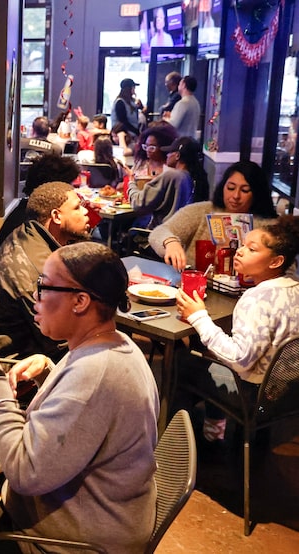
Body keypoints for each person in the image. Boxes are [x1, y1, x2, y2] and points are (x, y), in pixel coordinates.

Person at [0, 242, 159, 551]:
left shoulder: (96, 374)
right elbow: (85, 412)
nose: (35, 296)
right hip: (102, 513)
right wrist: (48, 372)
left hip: (73, 540)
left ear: (80, 301)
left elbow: (23, 472)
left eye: (43, 285)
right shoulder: (112, 342)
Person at [176, 216, 299, 442]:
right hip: (285, 395)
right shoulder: (294, 288)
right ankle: (231, 434)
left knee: (182, 364)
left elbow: (240, 359)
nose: (239, 252)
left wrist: (198, 316)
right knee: (204, 350)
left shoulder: (258, 298)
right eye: (242, 245)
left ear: (275, 261)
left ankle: (188, 443)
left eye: (251, 249)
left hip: (253, 397)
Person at [0, 182, 90, 361]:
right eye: (77, 207)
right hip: (7, 364)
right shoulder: (40, 271)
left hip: (26, 345)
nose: (85, 212)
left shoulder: (27, 232)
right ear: (56, 216)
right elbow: (58, 341)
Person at [149, 160, 279, 271]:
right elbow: (159, 232)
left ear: (257, 193)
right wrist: (170, 242)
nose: (236, 196)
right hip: (196, 285)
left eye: (245, 190)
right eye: (231, 188)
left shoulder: (270, 226)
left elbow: (285, 270)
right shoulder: (203, 211)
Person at [0, 152, 80, 254]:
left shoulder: (27, 209)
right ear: (52, 190)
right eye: (68, 186)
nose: (72, 190)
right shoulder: (31, 223)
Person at [127, 136, 205, 229]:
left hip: (158, 234)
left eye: (169, 152)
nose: (167, 155)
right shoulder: (190, 176)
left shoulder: (172, 175)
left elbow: (139, 203)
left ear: (177, 156)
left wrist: (131, 182)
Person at [110, 78, 144, 156]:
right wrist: (137, 132)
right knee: (125, 154)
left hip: (131, 135)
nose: (134, 90)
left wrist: (140, 106)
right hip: (122, 135)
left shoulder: (131, 102)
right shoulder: (120, 102)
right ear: (129, 88)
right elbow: (123, 121)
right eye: (133, 87)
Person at [166, 75, 201, 139]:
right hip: (191, 140)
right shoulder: (196, 102)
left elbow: (173, 125)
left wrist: (166, 118)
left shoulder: (182, 103)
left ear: (184, 85)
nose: (178, 86)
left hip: (180, 140)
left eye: (179, 84)